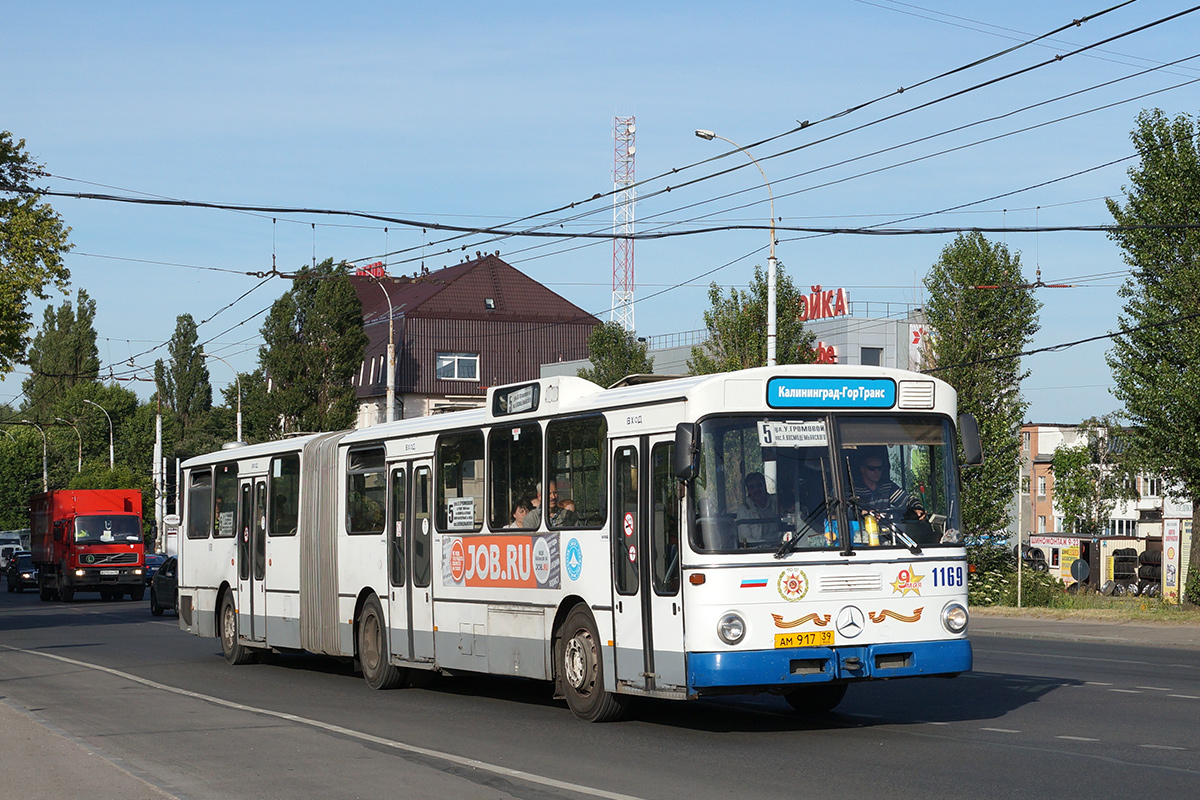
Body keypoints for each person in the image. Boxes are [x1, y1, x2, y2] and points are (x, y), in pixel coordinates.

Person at [853, 449, 925, 523]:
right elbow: (849, 510)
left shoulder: (887, 487)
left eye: (879, 468)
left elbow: (907, 500)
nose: (876, 472)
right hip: (861, 532)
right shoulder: (854, 490)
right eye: (872, 468)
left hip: (888, 531)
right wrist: (862, 513)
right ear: (862, 469)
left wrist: (918, 508)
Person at [735, 471, 780, 546]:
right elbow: (745, 538)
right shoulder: (744, 510)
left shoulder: (777, 502)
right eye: (752, 487)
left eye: (759, 485)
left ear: (764, 485)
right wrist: (765, 545)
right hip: (758, 551)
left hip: (782, 547)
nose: (756, 490)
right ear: (748, 490)